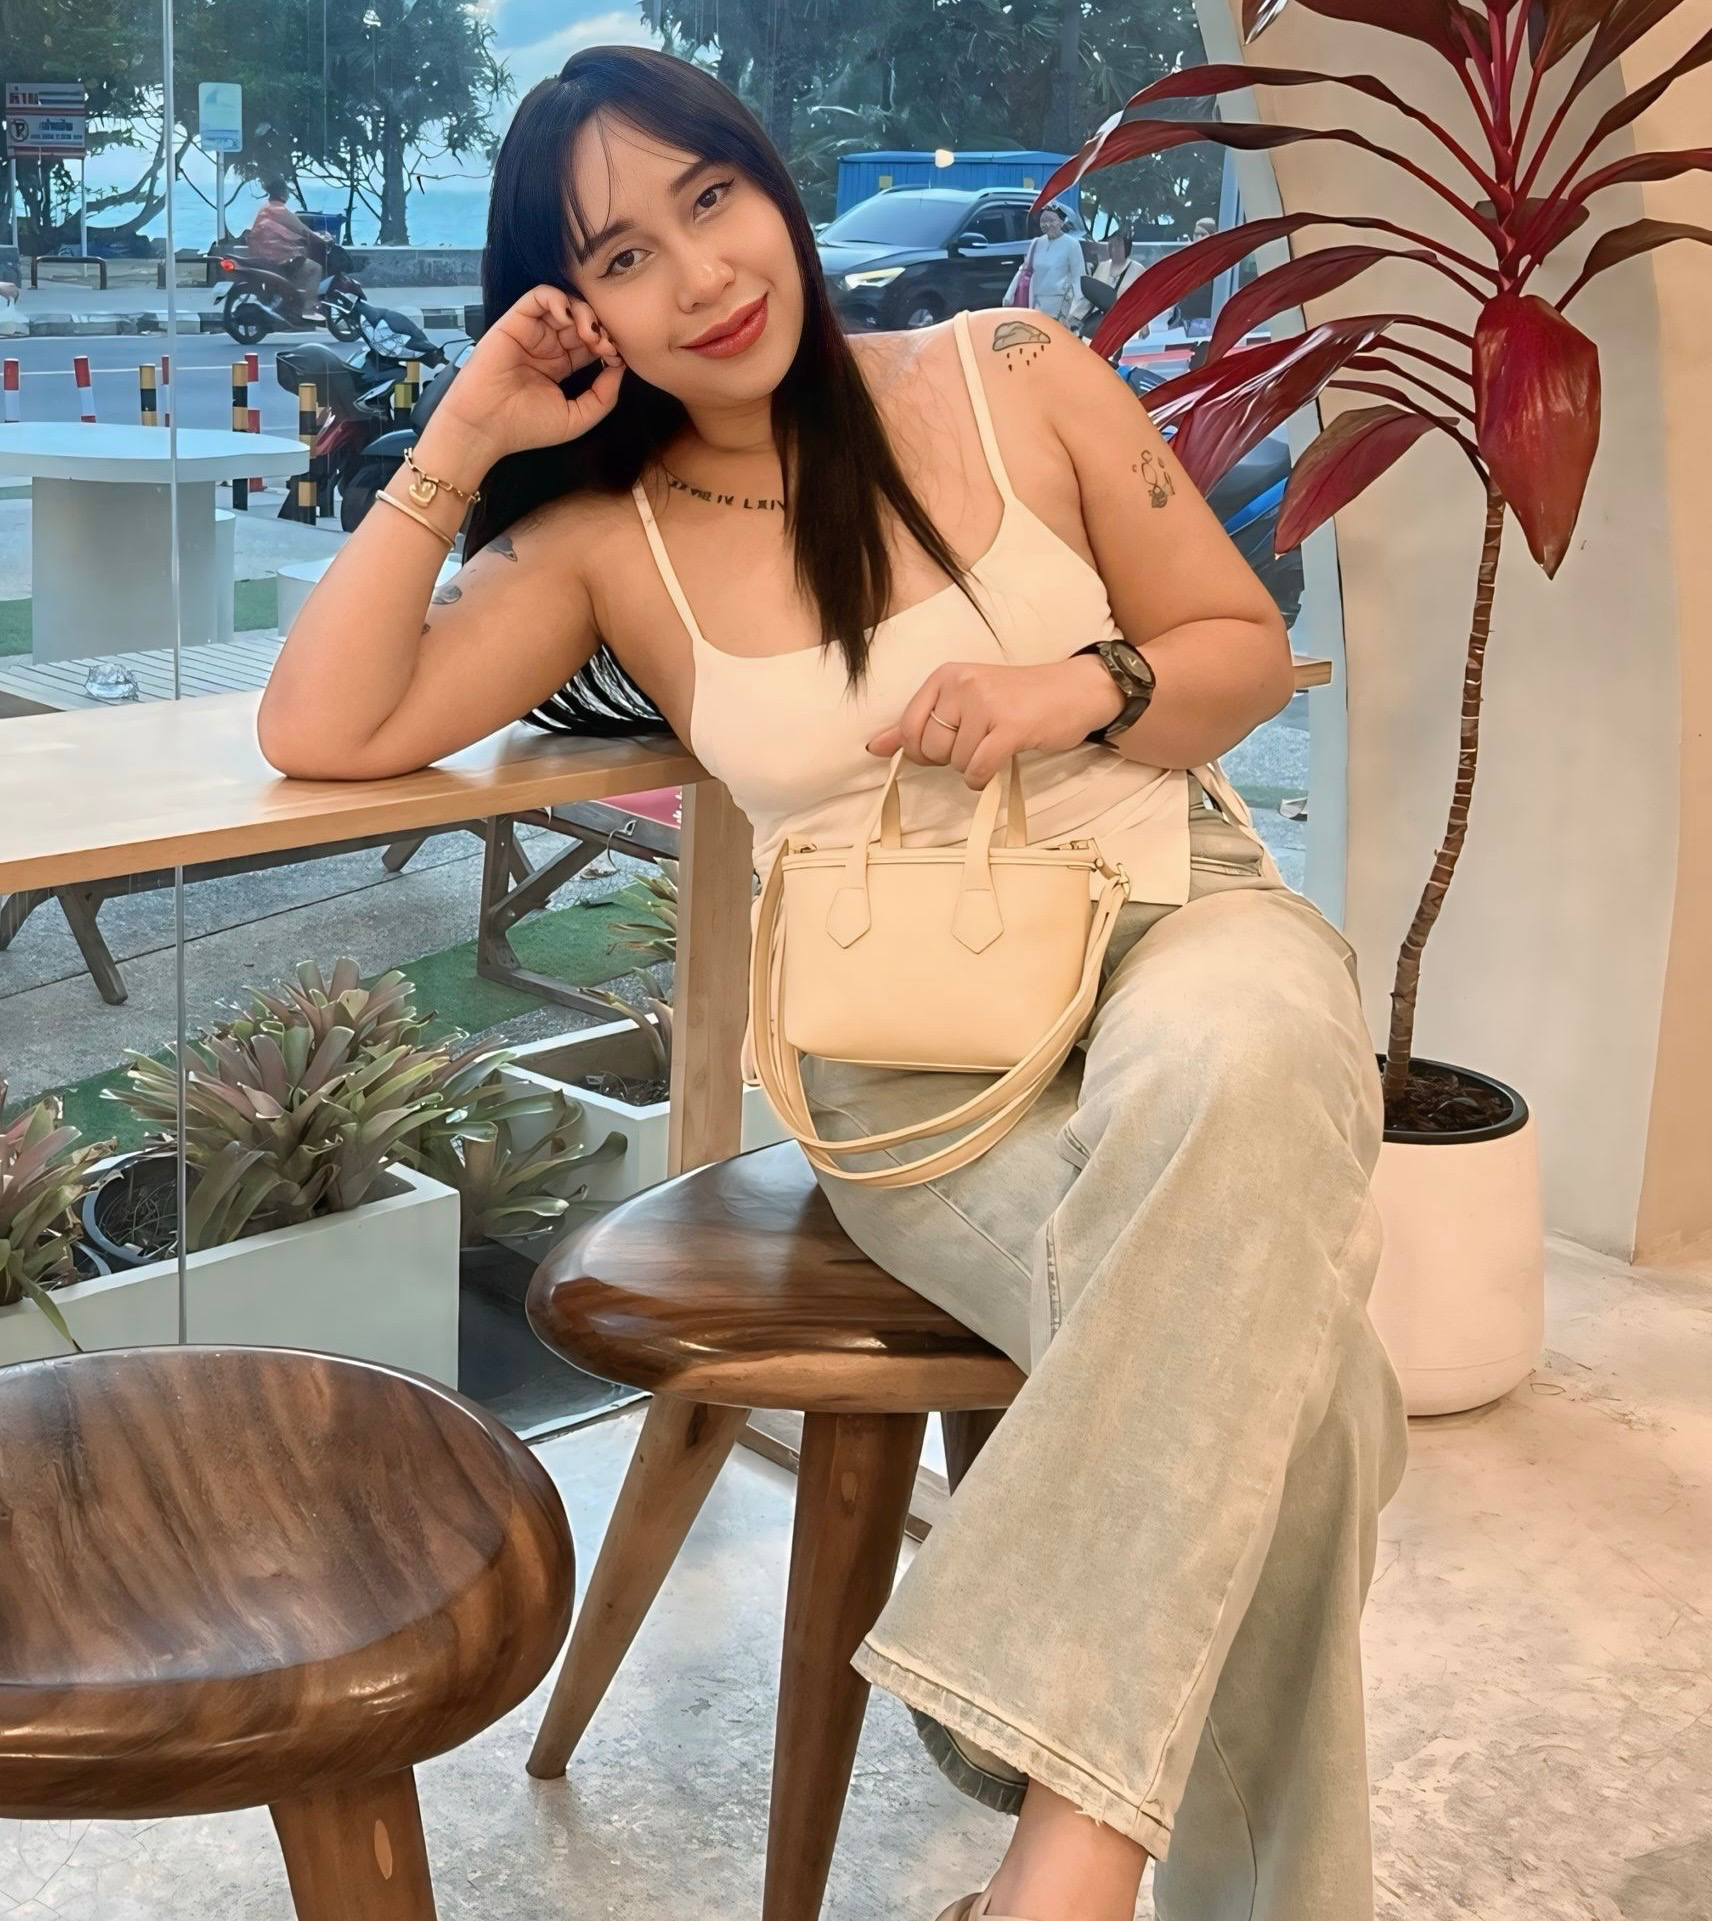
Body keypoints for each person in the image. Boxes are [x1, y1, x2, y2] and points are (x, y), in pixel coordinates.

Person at [258, 45, 1406, 1921]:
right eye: (621, 258)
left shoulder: (1014, 371)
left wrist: (1074, 689)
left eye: (710, 198)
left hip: (1176, 913)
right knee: (1312, 1401)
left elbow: (1236, 644)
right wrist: (465, 426)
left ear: (769, 182)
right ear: (572, 312)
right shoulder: (602, 544)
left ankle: (1060, 1869)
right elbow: (323, 725)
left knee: (1253, 1056)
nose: (702, 275)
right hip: (914, 1056)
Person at [242, 174, 324, 312]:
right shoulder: (280, 210)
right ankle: (308, 308)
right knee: (315, 269)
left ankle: (289, 305)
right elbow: (302, 229)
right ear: (281, 193)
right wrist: (322, 238)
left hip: (259, 258)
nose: (288, 194)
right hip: (277, 259)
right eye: (287, 191)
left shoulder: (265, 209)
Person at [1011, 204, 1086, 331]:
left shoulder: (1072, 245)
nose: (1047, 224)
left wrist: (1076, 312)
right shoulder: (1037, 243)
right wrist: (1010, 294)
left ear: (1061, 222)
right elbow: (1025, 271)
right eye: (1043, 221)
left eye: (1051, 220)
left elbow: (1078, 278)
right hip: (1036, 305)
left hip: (1059, 309)